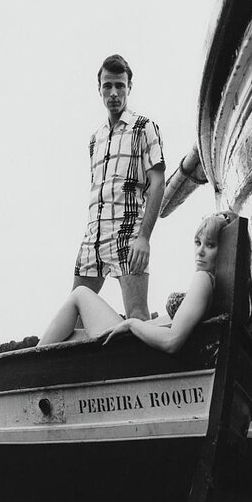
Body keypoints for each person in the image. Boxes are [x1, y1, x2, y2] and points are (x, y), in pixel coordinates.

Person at [38, 213, 233, 353]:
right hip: (136, 342)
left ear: (223, 249)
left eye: (210, 245)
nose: (200, 252)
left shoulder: (203, 280)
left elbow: (172, 341)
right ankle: (33, 366)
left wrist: (131, 324)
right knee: (72, 338)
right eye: (198, 242)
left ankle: (26, 363)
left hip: (133, 347)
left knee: (80, 294)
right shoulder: (215, 284)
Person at [73, 54, 165, 322]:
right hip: (94, 237)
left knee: (137, 316)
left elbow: (157, 183)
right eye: (107, 86)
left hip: (129, 235)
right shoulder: (95, 139)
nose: (114, 93)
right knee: (76, 315)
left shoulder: (144, 127)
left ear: (129, 87)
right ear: (99, 89)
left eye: (120, 86)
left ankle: (148, 365)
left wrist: (144, 237)